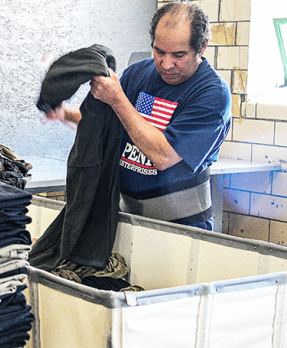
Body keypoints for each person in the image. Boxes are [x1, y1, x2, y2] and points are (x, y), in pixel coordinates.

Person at [46, 0, 231, 230]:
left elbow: (163, 155)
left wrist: (117, 98)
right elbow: (108, 127)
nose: (166, 64)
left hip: (184, 229)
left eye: (179, 55)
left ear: (201, 48)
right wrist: (65, 114)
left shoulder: (212, 94)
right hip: (129, 218)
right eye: (159, 51)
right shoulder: (138, 73)